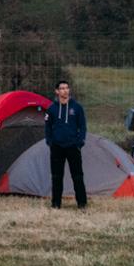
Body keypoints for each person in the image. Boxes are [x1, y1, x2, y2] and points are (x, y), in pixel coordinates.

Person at [44, 79, 89, 209]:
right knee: (57, 177)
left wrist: (80, 142)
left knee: (77, 176)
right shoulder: (52, 109)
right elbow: (47, 128)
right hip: (57, 147)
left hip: (73, 147)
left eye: (67, 88)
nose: (65, 90)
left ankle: (82, 204)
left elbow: (83, 126)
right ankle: (56, 204)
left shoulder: (77, 107)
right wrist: (50, 142)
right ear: (57, 91)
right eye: (62, 88)